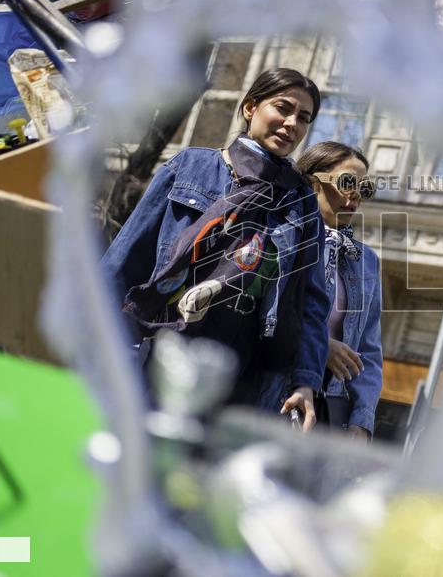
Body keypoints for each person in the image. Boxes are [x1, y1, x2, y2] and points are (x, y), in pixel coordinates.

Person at [101, 67, 330, 430]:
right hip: (160, 350)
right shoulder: (190, 167)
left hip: (243, 377)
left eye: (304, 118)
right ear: (250, 108)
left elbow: (311, 303)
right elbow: (127, 257)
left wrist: (305, 380)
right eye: (282, 108)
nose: (292, 123)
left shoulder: (301, 204)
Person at [296, 141, 383, 440]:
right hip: (278, 388)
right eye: (347, 183)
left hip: (330, 409)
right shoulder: (284, 238)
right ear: (313, 183)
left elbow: (369, 350)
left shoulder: (366, 261)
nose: (356, 195)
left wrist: (361, 418)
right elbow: (268, 312)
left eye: (365, 188)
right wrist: (322, 346)